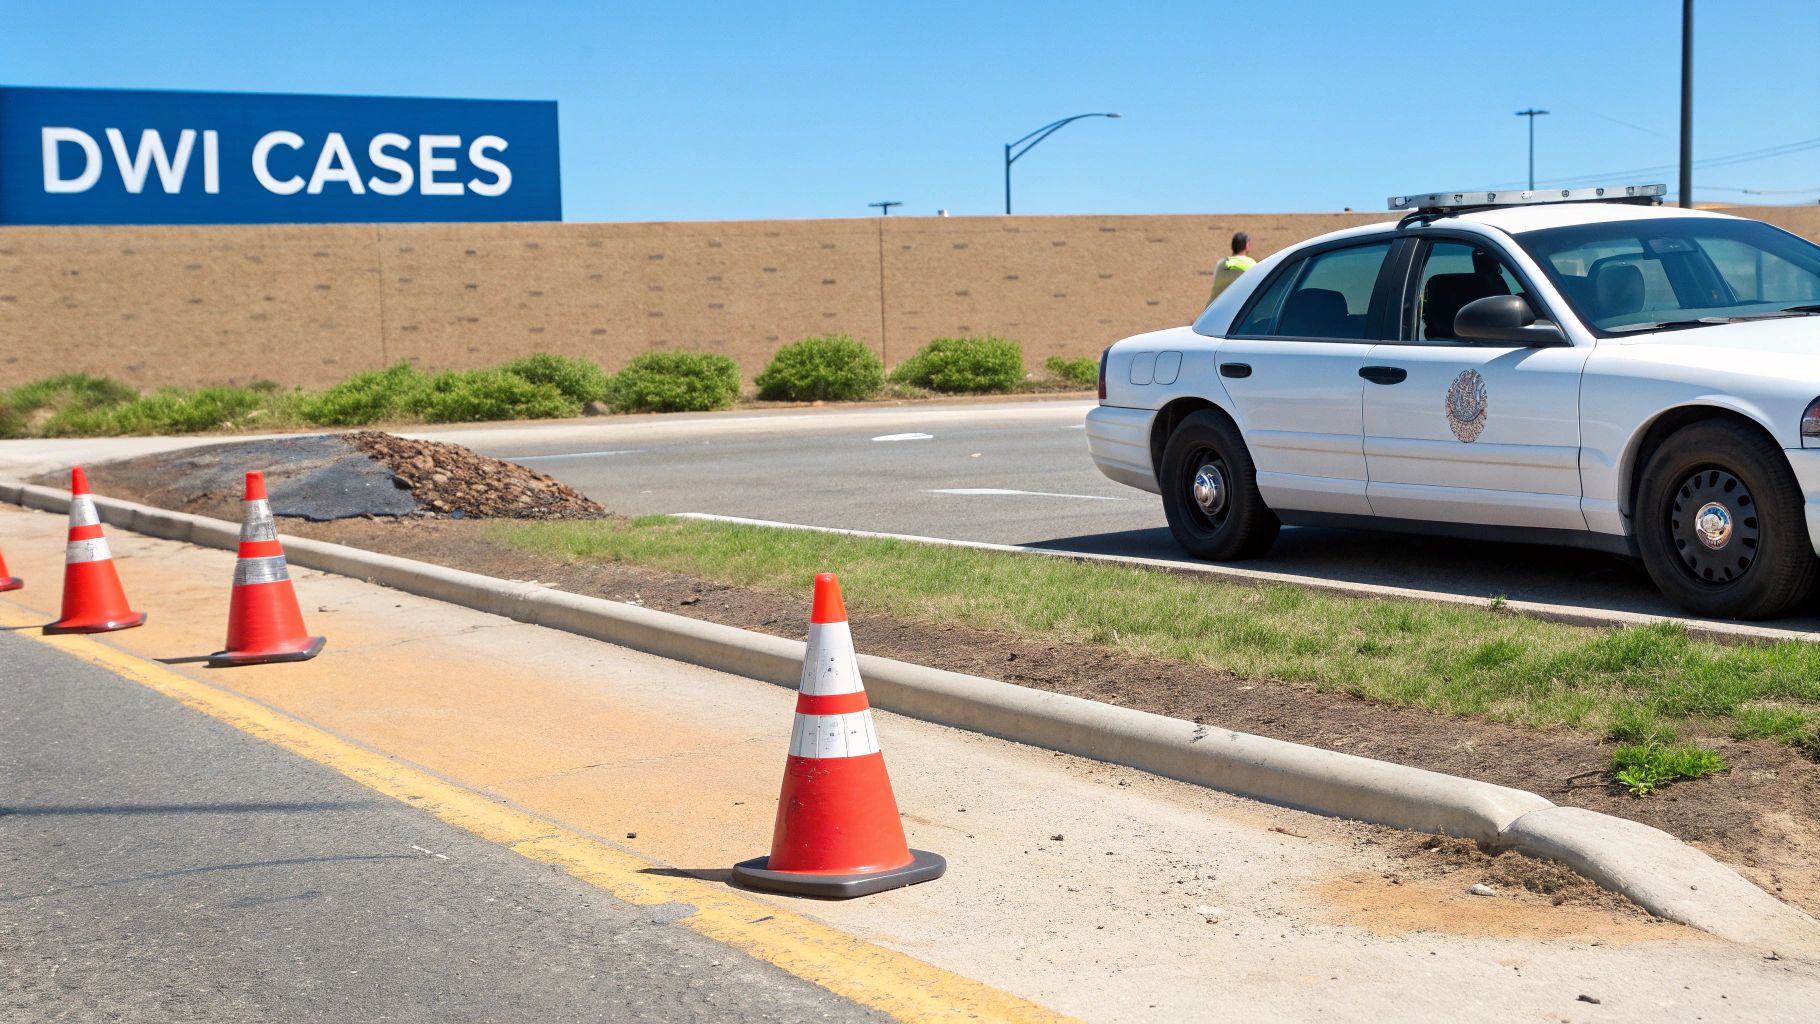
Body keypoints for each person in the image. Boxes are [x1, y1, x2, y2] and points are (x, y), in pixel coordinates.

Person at [1208, 231, 1256, 303]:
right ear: (1247, 245)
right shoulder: (1250, 263)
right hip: (1233, 311)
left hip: (1212, 310)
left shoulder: (1220, 263)